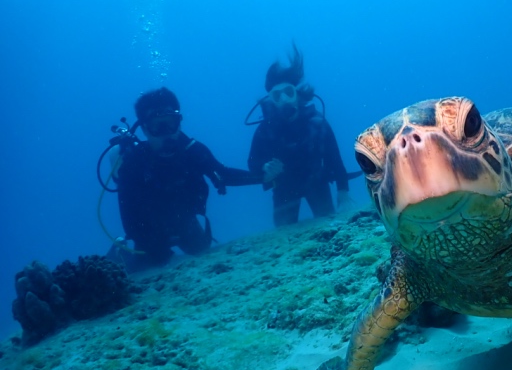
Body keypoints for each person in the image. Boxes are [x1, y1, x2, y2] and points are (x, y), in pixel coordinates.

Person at [113, 87, 273, 272]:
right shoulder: (133, 165)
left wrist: (263, 176)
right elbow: (131, 225)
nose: (167, 132)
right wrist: (164, 256)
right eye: (157, 125)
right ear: (144, 129)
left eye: (170, 123)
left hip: (186, 225)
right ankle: (119, 254)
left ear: (179, 122)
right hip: (148, 236)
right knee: (139, 276)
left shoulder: (194, 152)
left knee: (204, 256)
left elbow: (225, 175)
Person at [248, 43, 353, 226]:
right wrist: (264, 169)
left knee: (328, 226)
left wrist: (342, 191)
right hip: (283, 189)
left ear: (297, 94)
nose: (284, 100)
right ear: (271, 100)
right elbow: (252, 163)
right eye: (277, 95)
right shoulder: (265, 130)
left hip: (316, 182)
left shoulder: (317, 124)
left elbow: (334, 159)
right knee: (284, 236)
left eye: (288, 92)